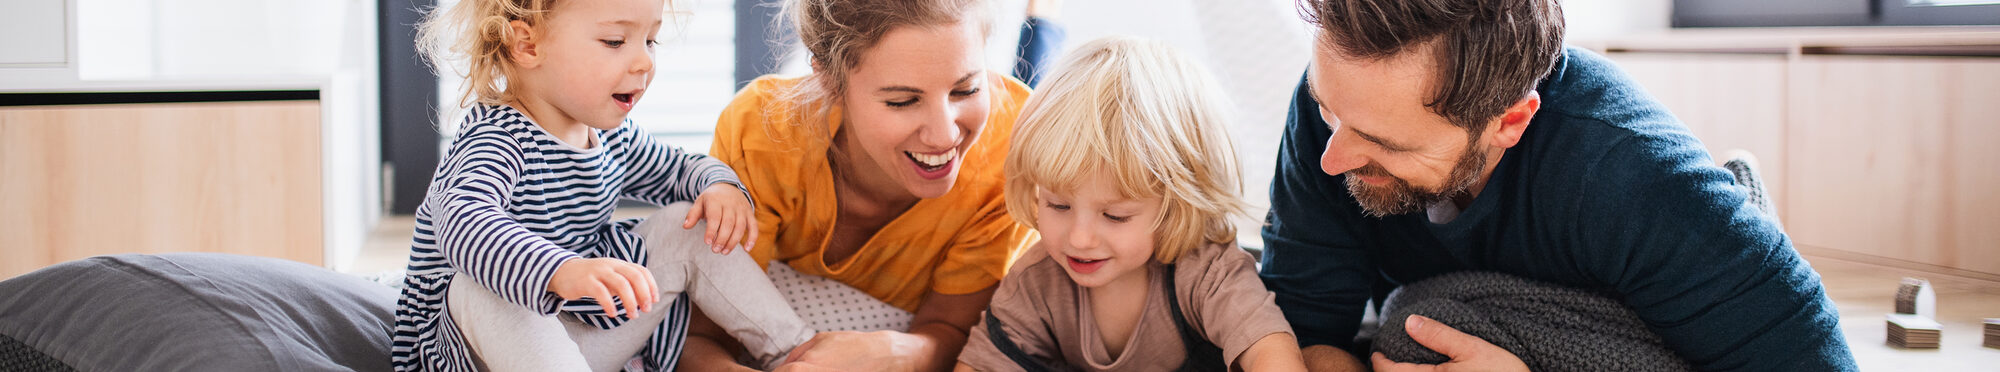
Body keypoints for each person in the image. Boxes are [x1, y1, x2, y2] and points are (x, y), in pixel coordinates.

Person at [1257, 0, 1857, 371]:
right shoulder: (1337, 114)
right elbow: (1300, 331)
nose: (1331, 160)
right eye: (1327, 110)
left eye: (1385, 144)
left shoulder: (1634, 176)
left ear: (1509, 122)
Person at [391, 0, 813, 370]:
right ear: (528, 45)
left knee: (687, 223)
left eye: (650, 41)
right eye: (615, 41)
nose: (644, 62)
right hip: (473, 353)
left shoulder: (611, 136)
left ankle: (798, 350)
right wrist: (559, 270)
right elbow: (464, 224)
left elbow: (678, 169)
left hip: (581, 340)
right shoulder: (496, 140)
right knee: (478, 287)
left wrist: (719, 184)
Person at [693, 0, 1043, 370]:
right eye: (902, 101)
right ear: (828, 80)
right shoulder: (763, 132)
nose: (944, 135)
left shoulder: (1012, 154)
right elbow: (700, 335)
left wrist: (894, 354)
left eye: (966, 90)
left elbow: (958, 333)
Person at [955, 36, 1307, 372]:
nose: (1079, 238)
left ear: (1175, 207)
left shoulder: (1206, 272)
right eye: (1058, 206)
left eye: (1115, 215)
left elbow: (1270, 349)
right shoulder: (1034, 284)